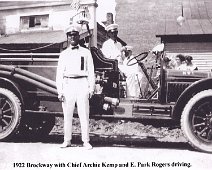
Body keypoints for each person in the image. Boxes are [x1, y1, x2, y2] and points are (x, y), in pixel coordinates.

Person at [56, 23, 95, 149]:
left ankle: (86, 141)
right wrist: (60, 91)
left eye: (74, 35)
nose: (72, 38)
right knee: (67, 114)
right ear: (67, 37)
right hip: (68, 84)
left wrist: (91, 88)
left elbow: (91, 72)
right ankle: (67, 140)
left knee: (84, 114)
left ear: (79, 36)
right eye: (70, 35)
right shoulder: (63, 54)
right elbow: (59, 74)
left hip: (82, 84)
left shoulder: (86, 52)